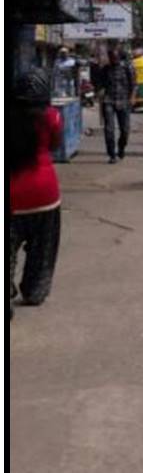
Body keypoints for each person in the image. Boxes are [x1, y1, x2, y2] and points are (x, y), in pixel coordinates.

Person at [8, 69, 64, 314]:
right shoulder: (52, 117)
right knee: (42, 249)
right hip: (44, 193)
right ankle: (34, 290)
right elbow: (55, 144)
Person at [98, 47, 136, 164]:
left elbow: (134, 85)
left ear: (119, 57)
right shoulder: (105, 69)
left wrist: (132, 97)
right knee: (109, 129)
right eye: (111, 57)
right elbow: (100, 84)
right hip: (109, 101)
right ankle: (112, 154)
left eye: (115, 57)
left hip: (124, 101)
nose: (113, 59)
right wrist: (100, 92)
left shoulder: (127, 68)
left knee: (125, 130)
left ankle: (121, 148)